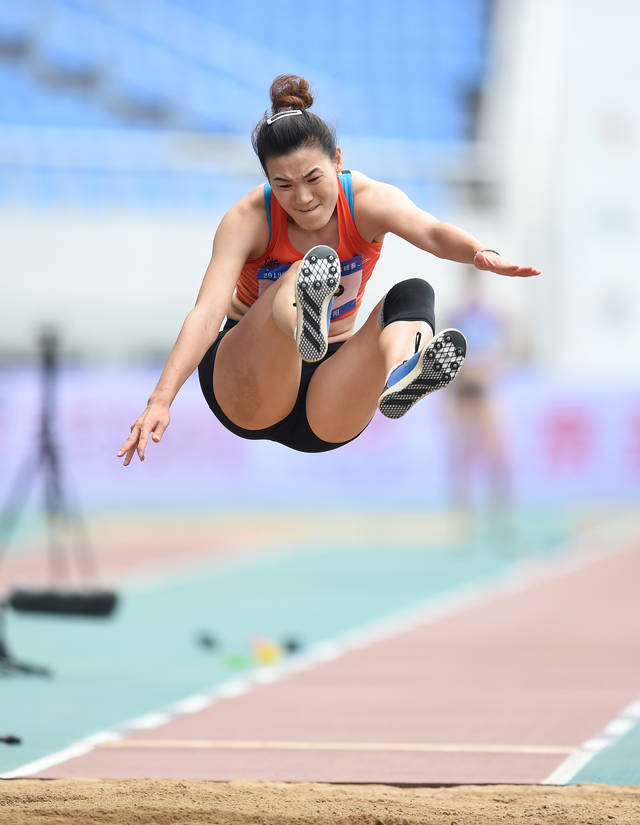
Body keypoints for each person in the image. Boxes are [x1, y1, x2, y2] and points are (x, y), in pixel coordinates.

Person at [117, 75, 540, 465]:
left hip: (328, 404)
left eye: (312, 177)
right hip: (246, 384)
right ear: (267, 180)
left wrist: (479, 252)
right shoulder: (247, 219)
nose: (301, 197)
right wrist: (160, 399)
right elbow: (206, 315)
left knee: (414, 293)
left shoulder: (369, 201)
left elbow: (431, 232)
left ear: (337, 161)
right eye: (282, 185)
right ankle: (302, 323)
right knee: (300, 271)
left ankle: (403, 369)